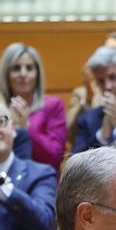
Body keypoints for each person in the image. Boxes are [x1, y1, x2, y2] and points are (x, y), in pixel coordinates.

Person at [0, 98, 56, 230]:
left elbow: (43, 221)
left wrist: (5, 187)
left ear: (14, 129)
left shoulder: (39, 174)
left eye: (1, 121)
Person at [0, 43, 66, 174]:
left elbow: (55, 156)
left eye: (29, 68)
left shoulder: (53, 105)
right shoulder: (1, 109)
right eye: (16, 68)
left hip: (42, 181)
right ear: (6, 74)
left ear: (37, 73)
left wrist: (26, 127)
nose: (23, 74)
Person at [68, 32, 116, 150]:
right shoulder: (88, 119)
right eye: (101, 81)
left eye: (113, 77)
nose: (107, 86)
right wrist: (103, 136)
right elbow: (77, 165)